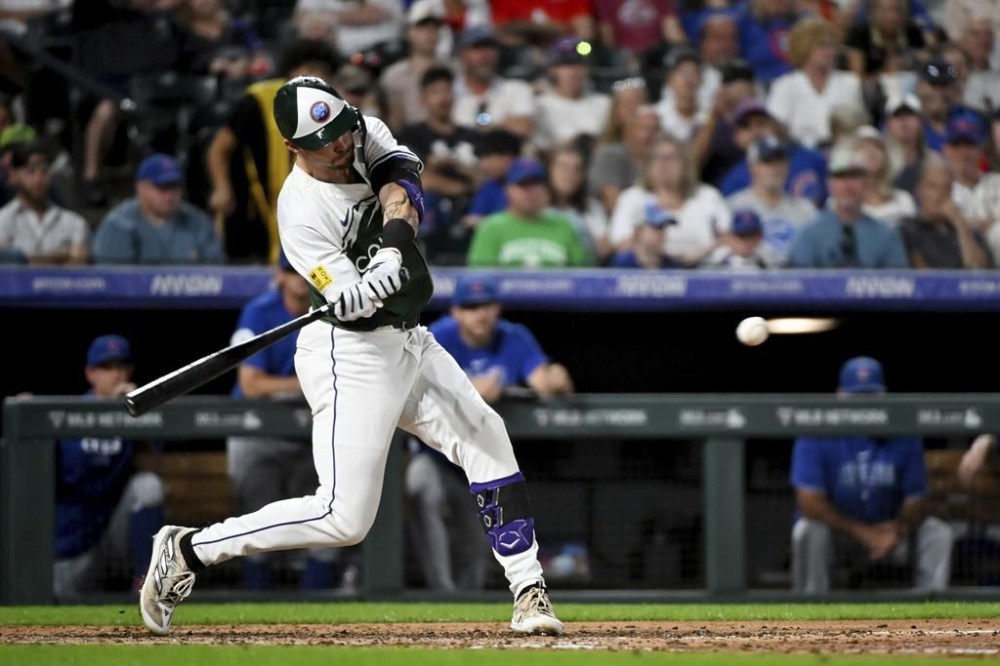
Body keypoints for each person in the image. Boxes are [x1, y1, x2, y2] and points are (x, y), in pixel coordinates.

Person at [139, 75, 564, 637]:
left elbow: (402, 188)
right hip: (350, 350)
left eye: (342, 131)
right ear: (293, 148)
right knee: (344, 517)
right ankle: (190, 549)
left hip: (411, 337)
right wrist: (355, 293)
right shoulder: (300, 214)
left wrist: (390, 251)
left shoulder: (362, 130)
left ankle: (528, 590)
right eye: (325, 141)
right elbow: (353, 307)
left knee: (487, 437)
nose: (341, 146)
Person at [407, 275, 574, 591]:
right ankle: (440, 592)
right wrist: (469, 391)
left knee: (478, 542)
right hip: (437, 456)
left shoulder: (513, 337)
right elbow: (410, 391)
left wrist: (556, 379)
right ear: (455, 312)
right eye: (470, 307)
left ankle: (468, 605)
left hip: (482, 460)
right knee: (419, 487)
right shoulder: (436, 337)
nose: (480, 314)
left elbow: (540, 379)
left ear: (497, 309)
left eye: (485, 305)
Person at [226, 251, 342, 590]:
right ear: (279, 276)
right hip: (258, 433)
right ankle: (256, 601)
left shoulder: (329, 311)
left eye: (304, 272)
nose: (298, 279)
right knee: (257, 508)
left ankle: (314, 606)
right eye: (291, 272)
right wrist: (307, 385)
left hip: (307, 432)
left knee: (329, 513)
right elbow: (250, 384)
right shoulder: (259, 312)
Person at [790, 356, 953, 594]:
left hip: (891, 531)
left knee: (937, 532)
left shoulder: (904, 434)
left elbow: (916, 499)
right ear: (839, 395)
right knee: (808, 530)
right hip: (841, 535)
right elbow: (809, 503)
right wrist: (864, 533)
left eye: (870, 397)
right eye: (857, 398)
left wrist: (897, 530)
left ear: (883, 397)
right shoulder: (817, 433)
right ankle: (810, 608)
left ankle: (930, 611)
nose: (864, 406)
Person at [205, 38, 341, 264]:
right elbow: (219, 148)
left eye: (321, 71)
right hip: (250, 202)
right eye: (307, 69)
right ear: (291, 71)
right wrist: (221, 186)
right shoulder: (258, 100)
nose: (314, 76)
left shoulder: (327, 111)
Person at [56, 335, 164, 598]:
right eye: (107, 367)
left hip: (114, 530)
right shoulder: (66, 416)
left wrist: (135, 416)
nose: (116, 374)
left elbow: (152, 469)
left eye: (122, 367)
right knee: (54, 607)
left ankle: (144, 587)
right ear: (90, 373)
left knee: (148, 486)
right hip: (73, 536)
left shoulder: (134, 417)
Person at [788, 141, 909, 269]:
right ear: (829, 183)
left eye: (854, 176)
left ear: (866, 182)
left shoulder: (886, 236)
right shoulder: (809, 234)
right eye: (840, 177)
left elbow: (898, 283)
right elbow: (799, 284)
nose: (847, 185)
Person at [93, 153, 225, 265]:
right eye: (162, 188)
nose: (169, 196)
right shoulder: (120, 224)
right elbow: (113, 281)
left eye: (174, 187)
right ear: (141, 188)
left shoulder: (197, 221)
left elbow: (217, 272)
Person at [467, 157, 592, 268]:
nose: (530, 191)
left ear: (546, 189)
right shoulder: (491, 228)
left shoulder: (566, 226)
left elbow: (583, 275)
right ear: (508, 190)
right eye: (523, 185)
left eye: (536, 184)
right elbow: (481, 279)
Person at [0, 141, 90, 265]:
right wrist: (61, 256)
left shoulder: (74, 223)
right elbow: (5, 264)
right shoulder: (3, 220)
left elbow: (79, 263)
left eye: (44, 171)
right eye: (31, 171)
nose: (39, 179)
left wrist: (23, 259)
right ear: (14, 175)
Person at [898, 156, 992, 269]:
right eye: (933, 187)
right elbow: (921, 275)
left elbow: (979, 273)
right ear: (919, 191)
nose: (941, 194)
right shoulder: (908, 230)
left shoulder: (968, 232)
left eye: (946, 187)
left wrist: (959, 223)